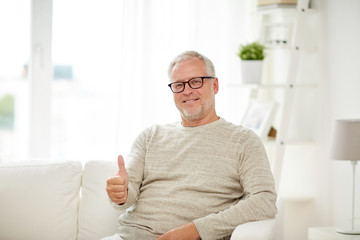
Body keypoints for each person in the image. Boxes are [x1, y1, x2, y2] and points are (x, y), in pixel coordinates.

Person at [104, 51, 277, 240]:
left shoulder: (244, 140)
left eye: (196, 81)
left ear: (215, 85)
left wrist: (195, 230)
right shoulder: (150, 136)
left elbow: (264, 202)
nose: (187, 90)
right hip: (129, 235)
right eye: (178, 85)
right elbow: (128, 192)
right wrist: (121, 192)